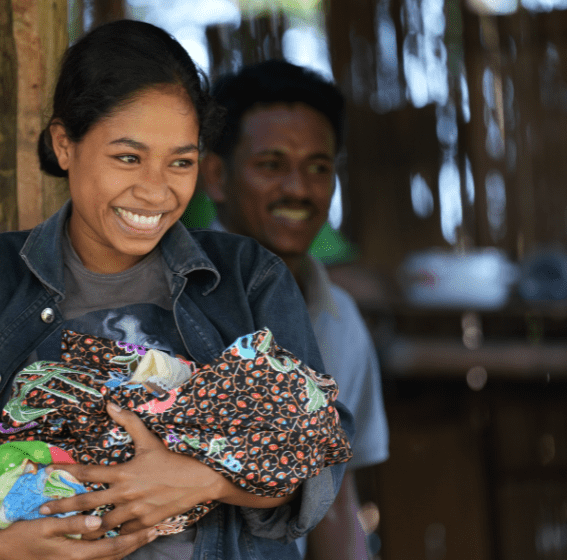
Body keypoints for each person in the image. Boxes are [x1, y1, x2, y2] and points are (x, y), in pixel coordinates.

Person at [0, 20, 353, 560]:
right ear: (64, 144)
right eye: (128, 157)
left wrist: (204, 481)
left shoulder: (248, 279)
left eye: (181, 162)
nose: (154, 190)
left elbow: (318, 442)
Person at [200, 59, 389, 560]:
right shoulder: (170, 305)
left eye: (318, 168)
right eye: (271, 165)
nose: (299, 189)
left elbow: (333, 496)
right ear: (216, 175)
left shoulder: (339, 318)